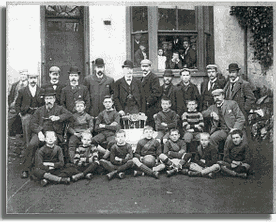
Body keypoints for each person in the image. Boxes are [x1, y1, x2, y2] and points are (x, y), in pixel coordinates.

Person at [20, 88, 72, 179]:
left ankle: (50, 170)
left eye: (51, 98)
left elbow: (70, 115)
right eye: (47, 99)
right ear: (44, 100)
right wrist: (39, 132)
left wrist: (58, 117)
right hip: (42, 133)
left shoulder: (59, 109)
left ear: (54, 99)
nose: (49, 101)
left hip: (54, 133)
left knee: (52, 147)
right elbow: (32, 123)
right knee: (32, 144)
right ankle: (26, 169)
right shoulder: (39, 110)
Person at [15, 72, 45, 147]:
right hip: (27, 115)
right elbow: (17, 103)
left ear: (37, 79)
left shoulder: (41, 90)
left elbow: (43, 103)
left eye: (34, 78)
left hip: (38, 115)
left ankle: (37, 154)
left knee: (38, 133)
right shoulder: (22, 91)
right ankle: (27, 154)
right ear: (28, 79)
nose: (33, 80)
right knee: (27, 136)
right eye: (31, 78)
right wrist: (20, 114)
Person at [140, 59, 162, 127]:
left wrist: (147, 102)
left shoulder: (154, 78)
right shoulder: (142, 78)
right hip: (143, 107)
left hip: (151, 107)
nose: (144, 69)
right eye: (143, 66)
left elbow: (156, 93)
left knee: (150, 126)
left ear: (150, 67)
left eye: (146, 67)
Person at [8, 69, 28, 137]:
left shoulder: (29, 85)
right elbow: (10, 96)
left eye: (25, 74)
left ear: (27, 76)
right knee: (10, 122)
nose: (23, 76)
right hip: (13, 107)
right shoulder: (15, 85)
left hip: (23, 107)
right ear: (20, 75)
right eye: (22, 74)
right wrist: (11, 104)